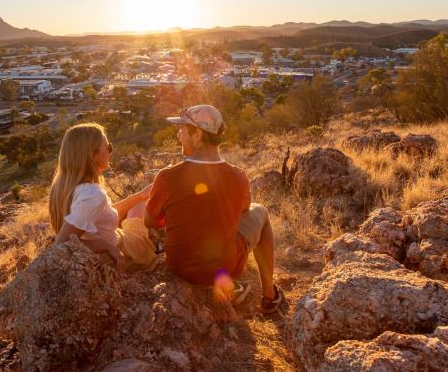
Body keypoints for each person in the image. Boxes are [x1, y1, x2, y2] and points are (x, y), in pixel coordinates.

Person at [144, 105, 283, 313]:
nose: (178, 134)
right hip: (225, 266)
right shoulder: (239, 176)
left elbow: (150, 221)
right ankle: (269, 295)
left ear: (197, 134)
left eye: (182, 129)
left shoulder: (167, 177)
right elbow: (244, 210)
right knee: (260, 210)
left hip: (179, 267)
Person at [50, 122, 156, 271]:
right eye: (108, 147)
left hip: (114, 238)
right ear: (93, 155)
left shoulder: (67, 186)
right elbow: (61, 244)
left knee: (138, 204)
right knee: (141, 216)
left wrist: (138, 196)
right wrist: (105, 245)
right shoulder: (92, 196)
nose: (110, 152)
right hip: (124, 249)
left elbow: (100, 215)